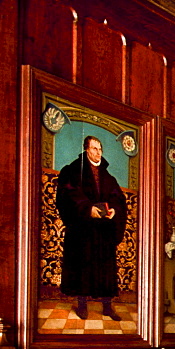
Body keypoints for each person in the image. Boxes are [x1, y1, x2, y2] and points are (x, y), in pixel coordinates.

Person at [55, 135, 127, 320]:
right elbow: (69, 194)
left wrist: (114, 211)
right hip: (83, 229)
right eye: (94, 149)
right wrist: (88, 209)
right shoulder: (73, 170)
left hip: (103, 230)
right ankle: (82, 305)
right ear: (86, 150)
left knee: (105, 267)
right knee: (82, 265)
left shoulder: (107, 176)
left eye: (100, 149)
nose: (98, 152)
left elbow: (118, 198)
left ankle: (107, 306)